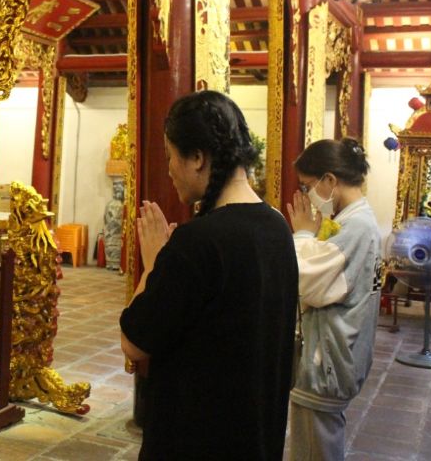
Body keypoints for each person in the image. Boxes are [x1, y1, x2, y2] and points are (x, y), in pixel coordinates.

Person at [119, 90, 299, 460]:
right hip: (256, 435)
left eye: (171, 155)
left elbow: (134, 343)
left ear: (198, 158)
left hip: (197, 439)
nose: (169, 168)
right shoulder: (276, 227)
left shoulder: (198, 240)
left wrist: (154, 261)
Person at [286, 138, 381, 461]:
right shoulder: (354, 221)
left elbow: (306, 280)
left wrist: (301, 234)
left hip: (326, 362)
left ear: (330, 180)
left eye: (307, 186)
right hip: (333, 355)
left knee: (314, 450)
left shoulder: (356, 227)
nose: (306, 195)